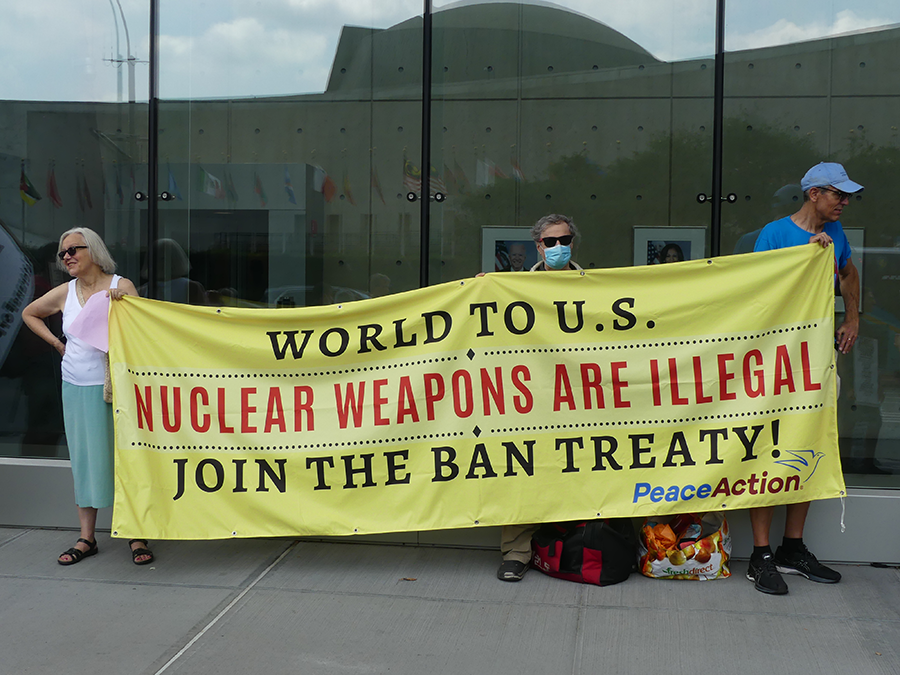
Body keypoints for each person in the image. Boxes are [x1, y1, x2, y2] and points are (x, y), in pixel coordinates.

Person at [748, 162, 861, 594]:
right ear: (814, 194)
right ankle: (760, 555)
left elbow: (848, 272)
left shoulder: (838, 236)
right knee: (767, 449)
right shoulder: (775, 234)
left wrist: (852, 319)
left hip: (817, 359)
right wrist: (804, 259)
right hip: (776, 362)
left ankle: (792, 547)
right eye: (838, 194)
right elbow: (755, 291)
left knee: (808, 446)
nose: (844, 202)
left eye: (846, 195)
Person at [21, 227, 154, 566]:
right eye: (63, 253)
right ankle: (87, 538)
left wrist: (125, 309)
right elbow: (29, 313)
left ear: (92, 250)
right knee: (84, 460)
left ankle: (135, 534)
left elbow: (144, 333)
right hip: (77, 385)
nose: (66, 257)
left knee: (126, 457)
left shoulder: (120, 286)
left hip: (118, 387)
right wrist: (57, 344)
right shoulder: (65, 292)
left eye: (73, 250)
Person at [498, 213, 581, 582]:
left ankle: (576, 548)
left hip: (579, 399)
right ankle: (516, 552)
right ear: (538, 246)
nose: (557, 247)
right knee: (524, 475)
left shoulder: (596, 286)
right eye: (550, 242)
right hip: (530, 401)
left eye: (564, 240)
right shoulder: (515, 288)